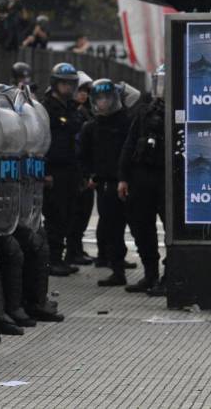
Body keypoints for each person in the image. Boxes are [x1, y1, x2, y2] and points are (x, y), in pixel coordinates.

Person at [80, 79, 136, 287]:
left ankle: (151, 272)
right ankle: (117, 269)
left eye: (107, 98)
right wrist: (90, 175)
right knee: (112, 228)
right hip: (105, 184)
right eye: (99, 99)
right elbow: (83, 155)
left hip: (128, 182)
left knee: (138, 226)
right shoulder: (91, 127)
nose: (103, 102)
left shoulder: (127, 122)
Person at [118, 65, 166, 294]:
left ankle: (170, 275)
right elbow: (129, 145)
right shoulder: (145, 111)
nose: (161, 88)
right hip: (142, 176)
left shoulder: (181, 110)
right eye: (159, 82)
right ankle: (150, 274)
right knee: (141, 227)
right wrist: (123, 177)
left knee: (171, 230)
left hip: (166, 179)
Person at [42, 63, 83, 276]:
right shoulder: (46, 108)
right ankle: (53, 259)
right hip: (54, 170)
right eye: (64, 83)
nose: (68, 87)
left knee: (68, 215)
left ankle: (61, 257)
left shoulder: (71, 108)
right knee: (55, 217)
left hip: (70, 170)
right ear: (55, 84)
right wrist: (45, 171)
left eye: (71, 84)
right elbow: (41, 141)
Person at [65, 71, 95, 266]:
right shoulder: (70, 112)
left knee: (84, 212)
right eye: (80, 90)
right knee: (75, 213)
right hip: (74, 168)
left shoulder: (85, 111)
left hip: (84, 168)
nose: (83, 94)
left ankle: (76, 248)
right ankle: (72, 250)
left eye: (86, 91)